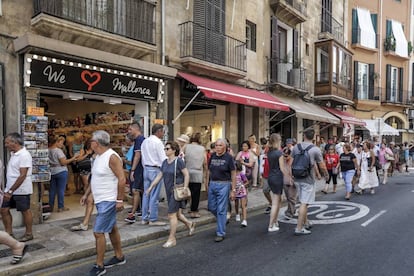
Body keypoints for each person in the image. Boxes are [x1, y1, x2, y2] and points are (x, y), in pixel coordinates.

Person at [81, 130, 126, 275]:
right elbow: (94, 178)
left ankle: (99, 266)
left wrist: (119, 200)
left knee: (98, 232)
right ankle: (119, 256)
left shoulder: (112, 157)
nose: (90, 142)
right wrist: (87, 194)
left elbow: (122, 179)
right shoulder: (98, 156)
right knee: (112, 228)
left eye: (91, 140)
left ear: (97, 143)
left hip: (109, 199)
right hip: (101, 200)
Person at [146, 141, 195, 248]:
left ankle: (172, 238)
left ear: (173, 150)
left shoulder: (179, 161)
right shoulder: (164, 162)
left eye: (167, 149)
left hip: (177, 191)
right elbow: (160, 175)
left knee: (171, 215)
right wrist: (151, 187)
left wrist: (185, 187)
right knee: (177, 214)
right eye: (165, 149)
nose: (165, 150)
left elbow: (186, 174)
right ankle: (190, 224)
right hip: (169, 191)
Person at [291, 128, 328, 235]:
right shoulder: (315, 149)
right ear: (313, 136)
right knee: (304, 203)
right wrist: (326, 175)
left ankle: (306, 222)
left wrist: (291, 176)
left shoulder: (296, 147)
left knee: (303, 200)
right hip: (308, 179)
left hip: (297, 177)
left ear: (304, 135)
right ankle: (299, 228)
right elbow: (322, 165)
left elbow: (291, 162)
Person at [1, 133, 34, 242]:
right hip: (9, 188)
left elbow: (22, 175)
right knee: (4, 209)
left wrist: (10, 191)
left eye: (7, 142)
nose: (5, 145)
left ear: (14, 143)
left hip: (21, 189)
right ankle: (9, 233)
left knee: (25, 210)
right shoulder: (13, 154)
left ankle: (29, 233)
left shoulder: (24, 155)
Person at [206, 138, 236, 242]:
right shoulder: (212, 156)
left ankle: (220, 233)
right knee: (211, 207)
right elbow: (208, 170)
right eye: (216, 145)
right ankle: (222, 220)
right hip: (213, 183)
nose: (217, 147)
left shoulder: (229, 158)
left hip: (224, 184)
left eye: (220, 145)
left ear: (225, 147)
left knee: (221, 209)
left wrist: (233, 190)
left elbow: (233, 173)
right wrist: (207, 183)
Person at [141, 124, 167, 225]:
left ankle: (144, 218)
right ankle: (153, 219)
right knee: (154, 195)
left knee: (146, 194)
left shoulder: (145, 141)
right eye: (162, 131)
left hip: (146, 169)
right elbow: (163, 158)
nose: (163, 133)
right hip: (155, 169)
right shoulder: (158, 142)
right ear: (159, 131)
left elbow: (143, 158)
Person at [48, 135, 79, 212]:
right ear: (57, 142)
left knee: (52, 190)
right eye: (61, 143)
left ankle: (50, 206)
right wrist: (73, 158)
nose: (62, 145)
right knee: (61, 190)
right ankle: (60, 206)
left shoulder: (48, 150)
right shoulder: (58, 151)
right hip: (61, 171)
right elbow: (63, 162)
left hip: (52, 171)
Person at [71, 139, 95, 231]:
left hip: (94, 175)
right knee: (89, 199)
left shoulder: (99, 154)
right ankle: (85, 223)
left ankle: (86, 223)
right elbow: (78, 159)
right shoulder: (83, 150)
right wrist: (86, 154)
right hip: (85, 171)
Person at [124, 122, 145, 224]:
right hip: (140, 169)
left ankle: (133, 213)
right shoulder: (141, 139)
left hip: (138, 169)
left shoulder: (139, 140)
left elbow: (137, 155)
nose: (129, 131)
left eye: (130, 129)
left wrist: (132, 170)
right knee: (139, 190)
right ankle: (140, 211)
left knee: (135, 190)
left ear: (135, 129)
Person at [183, 133, 206, 219]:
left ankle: (181, 209)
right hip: (198, 172)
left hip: (187, 172)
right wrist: (205, 173)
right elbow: (205, 162)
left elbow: (181, 157)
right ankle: (193, 211)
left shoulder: (186, 147)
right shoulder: (202, 149)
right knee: (195, 194)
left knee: (185, 191)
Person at [267, 134, 284, 232]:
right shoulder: (279, 153)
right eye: (280, 139)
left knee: (278, 201)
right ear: (277, 141)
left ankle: (275, 221)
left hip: (271, 177)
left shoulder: (270, 152)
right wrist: (288, 176)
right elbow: (282, 168)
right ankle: (270, 225)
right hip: (278, 177)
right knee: (275, 203)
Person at [281, 147, 296, 220]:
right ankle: (291, 209)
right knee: (288, 197)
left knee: (291, 197)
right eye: (283, 155)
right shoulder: (282, 161)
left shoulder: (294, 162)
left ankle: (291, 212)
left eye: (286, 156)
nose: (285, 157)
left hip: (292, 182)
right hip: (285, 181)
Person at [234, 160, 248, 227]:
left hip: (242, 191)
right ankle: (237, 214)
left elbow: (246, 182)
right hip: (235, 191)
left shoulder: (241, 174)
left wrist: (242, 185)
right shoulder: (232, 174)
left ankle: (244, 220)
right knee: (236, 203)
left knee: (243, 206)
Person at [260, 138, 272, 214]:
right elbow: (262, 162)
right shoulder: (264, 153)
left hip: (273, 174)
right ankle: (271, 202)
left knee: (274, 192)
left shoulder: (276, 152)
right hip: (265, 174)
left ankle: (273, 205)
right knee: (265, 190)